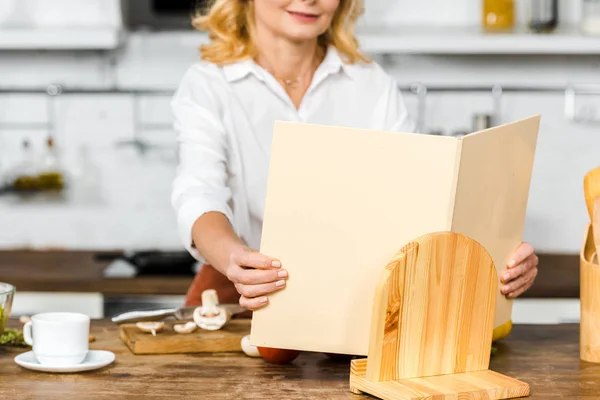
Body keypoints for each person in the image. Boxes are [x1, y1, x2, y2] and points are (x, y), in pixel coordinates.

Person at [171, 0, 539, 313]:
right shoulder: (208, 85)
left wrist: (498, 254)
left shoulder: (370, 84)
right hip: (241, 295)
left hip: (354, 301)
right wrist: (235, 259)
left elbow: (416, 198)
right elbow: (199, 193)